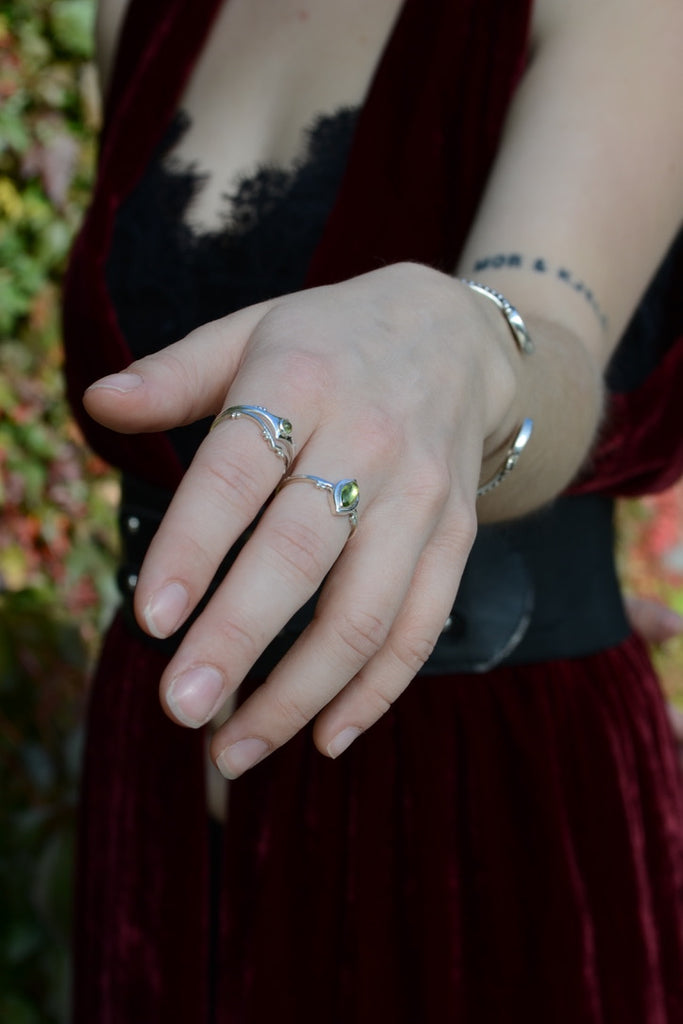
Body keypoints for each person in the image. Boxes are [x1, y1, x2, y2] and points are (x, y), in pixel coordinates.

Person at [62, 0, 683, 1019]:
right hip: (163, 769)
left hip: (472, 798)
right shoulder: (137, 18)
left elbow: (554, 341)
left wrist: (469, 348)